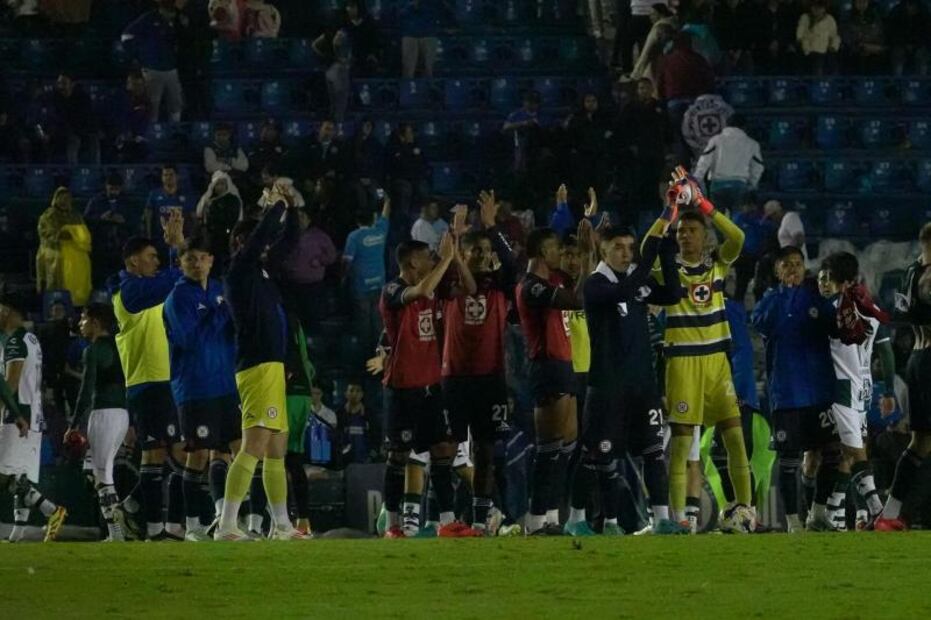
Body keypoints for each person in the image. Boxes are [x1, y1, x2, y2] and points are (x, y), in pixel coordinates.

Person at [567, 203, 684, 536]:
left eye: (630, 248)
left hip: (642, 384)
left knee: (652, 453)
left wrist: (667, 250)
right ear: (602, 250)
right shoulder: (596, 285)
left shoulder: (637, 284)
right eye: (618, 247)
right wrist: (650, 252)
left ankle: (661, 519)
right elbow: (625, 289)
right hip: (607, 387)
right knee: (597, 457)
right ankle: (576, 520)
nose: (626, 253)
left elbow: (673, 293)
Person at [655, 167, 755, 532]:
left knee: (733, 435)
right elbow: (649, 246)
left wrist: (703, 204)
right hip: (681, 363)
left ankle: (745, 510)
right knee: (681, 444)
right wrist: (670, 212)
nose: (684, 236)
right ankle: (680, 519)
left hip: (716, 362)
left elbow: (739, 237)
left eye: (691, 230)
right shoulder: (668, 270)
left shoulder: (716, 264)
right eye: (681, 232)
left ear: (705, 237)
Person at [214, 180, 307, 541]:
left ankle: (282, 525)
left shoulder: (263, 273)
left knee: (276, 448)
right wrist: (274, 207)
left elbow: (289, 241)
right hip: (256, 364)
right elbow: (263, 237)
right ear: (242, 243)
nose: (267, 244)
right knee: (254, 445)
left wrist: (290, 205)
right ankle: (227, 524)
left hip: (272, 366)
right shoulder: (238, 272)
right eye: (258, 240)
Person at [440, 191, 518, 535]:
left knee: (486, 450)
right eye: (478, 251)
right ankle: (440, 518)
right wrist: (455, 240)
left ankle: (479, 519)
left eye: (487, 252)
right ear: (464, 254)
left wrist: (491, 226)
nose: (485, 256)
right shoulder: (450, 282)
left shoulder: (499, 285)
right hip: (454, 377)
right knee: (446, 450)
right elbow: (444, 275)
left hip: (490, 378)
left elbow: (512, 263)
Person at [515, 220, 594, 535]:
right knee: (548, 448)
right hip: (546, 366)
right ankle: (534, 520)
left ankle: (549, 517)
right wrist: (586, 258)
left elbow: (579, 284)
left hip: (565, 364)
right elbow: (576, 300)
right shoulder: (532, 285)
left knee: (566, 447)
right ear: (540, 252)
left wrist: (588, 252)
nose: (560, 253)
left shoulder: (555, 279)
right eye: (555, 248)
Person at [379, 235, 460, 538]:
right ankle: (392, 525)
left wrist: (455, 247)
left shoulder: (432, 286)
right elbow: (424, 288)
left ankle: (447, 521)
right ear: (413, 262)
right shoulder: (392, 290)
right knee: (398, 455)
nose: (433, 260)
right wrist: (448, 258)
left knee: (442, 450)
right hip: (403, 387)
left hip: (431, 385)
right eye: (428, 256)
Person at [111, 215, 186, 541]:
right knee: (164, 453)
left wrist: (176, 248)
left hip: (168, 381)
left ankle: (142, 513)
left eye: (158, 257)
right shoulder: (127, 291)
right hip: (146, 383)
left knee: (173, 452)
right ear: (133, 261)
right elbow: (170, 281)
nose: (156, 261)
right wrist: (174, 250)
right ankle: (159, 527)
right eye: (150, 256)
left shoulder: (153, 291)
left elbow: (179, 285)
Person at [751, 246, 837, 532]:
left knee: (831, 452)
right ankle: (792, 522)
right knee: (788, 459)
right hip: (786, 393)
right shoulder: (770, 299)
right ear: (777, 271)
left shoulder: (816, 297)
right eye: (787, 265)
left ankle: (818, 512)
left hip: (820, 390)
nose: (793, 269)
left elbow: (835, 326)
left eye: (798, 264)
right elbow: (760, 322)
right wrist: (782, 295)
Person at [163, 235, 242, 541]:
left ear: (211, 260)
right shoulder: (177, 299)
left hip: (225, 383)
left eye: (202, 257)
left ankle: (226, 519)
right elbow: (188, 340)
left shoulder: (222, 290)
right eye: (190, 259)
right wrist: (220, 313)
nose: (197, 264)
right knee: (197, 455)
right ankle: (193, 524)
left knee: (231, 451)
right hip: (195, 387)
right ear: (180, 263)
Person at [817, 252, 894, 531]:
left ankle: (873, 509)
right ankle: (836, 510)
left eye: (830, 280)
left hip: (842, 387)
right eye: (822, 279)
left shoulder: (832, 310)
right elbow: (886, 353)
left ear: (845, 283)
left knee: (854, 451)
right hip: (864, 386)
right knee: (851, 451)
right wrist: (890, 391)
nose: (824, 285)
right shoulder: (871, 307)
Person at [875, 223, 931, 530]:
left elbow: (901, 314)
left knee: (920, 442)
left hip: (917, 359)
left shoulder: (909, 273)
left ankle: (890, 513)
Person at [0, 293, 68, 543]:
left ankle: (51, 509)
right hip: (34, 416)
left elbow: (11, 382)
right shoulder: (32, 339)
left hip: (16, 416)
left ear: (7, 311)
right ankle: (17, 535)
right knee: (19, 475)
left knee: (5, 475)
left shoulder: (16, 340)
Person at [67, 303, 129, 541]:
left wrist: (73, 424)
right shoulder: (120, 345)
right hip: (122, 414)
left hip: (103, 414)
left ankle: (117, 532)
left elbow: (86, 389)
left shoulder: (92, 351)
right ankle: (119, 523)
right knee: (95, 471)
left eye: (83, 319)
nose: (80, 324)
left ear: (95, 322)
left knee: (103, 474)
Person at [121, 0, 185, 122]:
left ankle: (175, 129)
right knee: (152, 104)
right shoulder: (148, 18)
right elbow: (126, 36)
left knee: (176, 102)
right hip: (152, 69)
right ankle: (151, 132)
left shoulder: (179, 19)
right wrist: (139, 54)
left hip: (172, 68)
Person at [343, 197, 391, 357]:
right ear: (373, 218)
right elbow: (385, 215)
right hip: (379, 284)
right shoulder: (380, 230)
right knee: (378, 323)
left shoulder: (354, 237)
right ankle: (380, 356)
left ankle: (365, 359)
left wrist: (342, 278)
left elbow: (346, 262)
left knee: (363, 325)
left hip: (360, 286)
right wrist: (387, 201)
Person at [280, 207, 337, 335]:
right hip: (292, 286)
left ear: (309, 219)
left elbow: (332, 255)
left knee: (312, 321)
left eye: (302, 217)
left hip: (313, 287)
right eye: (297, 217)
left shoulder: (319, 236)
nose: (300, 220)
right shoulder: (287, 235)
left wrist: (320, 261)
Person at [692, 115, 764, 215]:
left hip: (717, 185)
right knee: (737, 222)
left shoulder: (716, 140)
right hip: (739, 185)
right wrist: (752, 183)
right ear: (744, 127)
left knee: (719, 220)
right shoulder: (752, 143)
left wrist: (697, 179)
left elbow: (704, 161)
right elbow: (758, 166)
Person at [283, 310, 314, 535]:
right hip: (303, 392)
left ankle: (280, 521)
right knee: (293, 460)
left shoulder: (276, 317)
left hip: (287, 392)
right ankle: (302, 521)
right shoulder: (294, 319)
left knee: (276, 460)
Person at [36, 187, 92, 306]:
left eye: (67, 198)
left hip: (76, 257)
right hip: (55, 254)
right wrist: (63, 234)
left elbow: (84, 234)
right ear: (56, 199)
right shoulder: (48, 215)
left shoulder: (75, 215)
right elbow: (46, 234)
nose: (64, 201)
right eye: (61, 197)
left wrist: (74, 234)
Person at [195, 170, 243, 275]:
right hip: (210, 238)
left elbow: (233, 219)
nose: (220, 187)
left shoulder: (232, 200)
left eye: (222, 184)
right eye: (217, 184)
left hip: (225, 238)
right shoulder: (208, 200)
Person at [49, 73, 99, 165]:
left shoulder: (82, 98)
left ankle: (93, 171)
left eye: (64, 83)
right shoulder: (55, 98)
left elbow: (86, 120)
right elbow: (55, 118)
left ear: (72, 84)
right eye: (59, 83)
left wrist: (78, 132)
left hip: (82, 131)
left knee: (91, 139)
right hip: (62, 133)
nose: (61, 87)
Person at [387, 123, 429, 218]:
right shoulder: (394, 147)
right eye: (409, 133)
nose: (411, 135)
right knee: (406, 189)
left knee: (423, 188)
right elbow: (399, 165)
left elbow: (423, 163)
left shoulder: (417, 145)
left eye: (412, 132)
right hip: (400, 179)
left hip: (415, 178)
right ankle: (403, 219)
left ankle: (424, 217)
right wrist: (410, 153)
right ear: (402, 136)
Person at [144, 164, 193, 245]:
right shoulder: (154, 194)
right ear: (162, 177)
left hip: (181, 239)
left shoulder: (186, 195)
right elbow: (148, 216)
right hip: (160, 238)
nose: (168, 177)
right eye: (165, 175)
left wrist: (190, 237)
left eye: (171, 175)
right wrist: (149, 236)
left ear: (177, 176)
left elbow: (192, 217)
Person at [312, 26, 353, 122]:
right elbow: (314, 46)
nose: (339, 37)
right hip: (328, 73)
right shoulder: (328, 55)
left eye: (341, 35)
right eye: (338, 34)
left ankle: (336, 119)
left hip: (338, 74)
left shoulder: (345, 61)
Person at [400, 0, 444, 78]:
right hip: (409, 34)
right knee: (408, 70)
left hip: (429, 34)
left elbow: (441, 10)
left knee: (428, 69)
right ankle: (408, 89)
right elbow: (400, 13)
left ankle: (428, 88)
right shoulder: (404, 4)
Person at [841, 0, 886, 75]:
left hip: (872, 48)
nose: (862, 4)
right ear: (854, 3)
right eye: (859, 2)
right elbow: (845, 34)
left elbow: (879, 33)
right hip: (854, 48)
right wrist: (860, 45)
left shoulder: (875, 16)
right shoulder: (848, 16)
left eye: (864, 2)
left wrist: (874, 46)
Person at [796, 0, 841, 75]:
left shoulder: (830, 19)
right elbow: (800, 34)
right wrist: (801, 42)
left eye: (820, 7)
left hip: (824, 52)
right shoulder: (805, 18)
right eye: (814, 7)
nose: (817, 10)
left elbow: (834, 36)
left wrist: (833, 46)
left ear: (824, 8)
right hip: (808, 51)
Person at [885, 0, 929, 77]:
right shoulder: (896, 11)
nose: (911, 9)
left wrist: (916, 44)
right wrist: (904, 44)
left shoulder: (924, 11)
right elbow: (891, 32)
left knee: (922, 54)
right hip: (900, 44)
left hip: (919, 44)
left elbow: (927, 32)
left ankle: (922, 83)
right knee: (898, 53)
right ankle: (898, 83)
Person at [338, 381, 370, 464]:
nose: (354, 394)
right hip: (344, 461)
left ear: (362, 394)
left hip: (365, 461)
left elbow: (375, 436)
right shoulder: (339, 414)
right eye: (351, 391)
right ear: (346, 394)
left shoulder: (369, 414)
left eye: (358, 391)